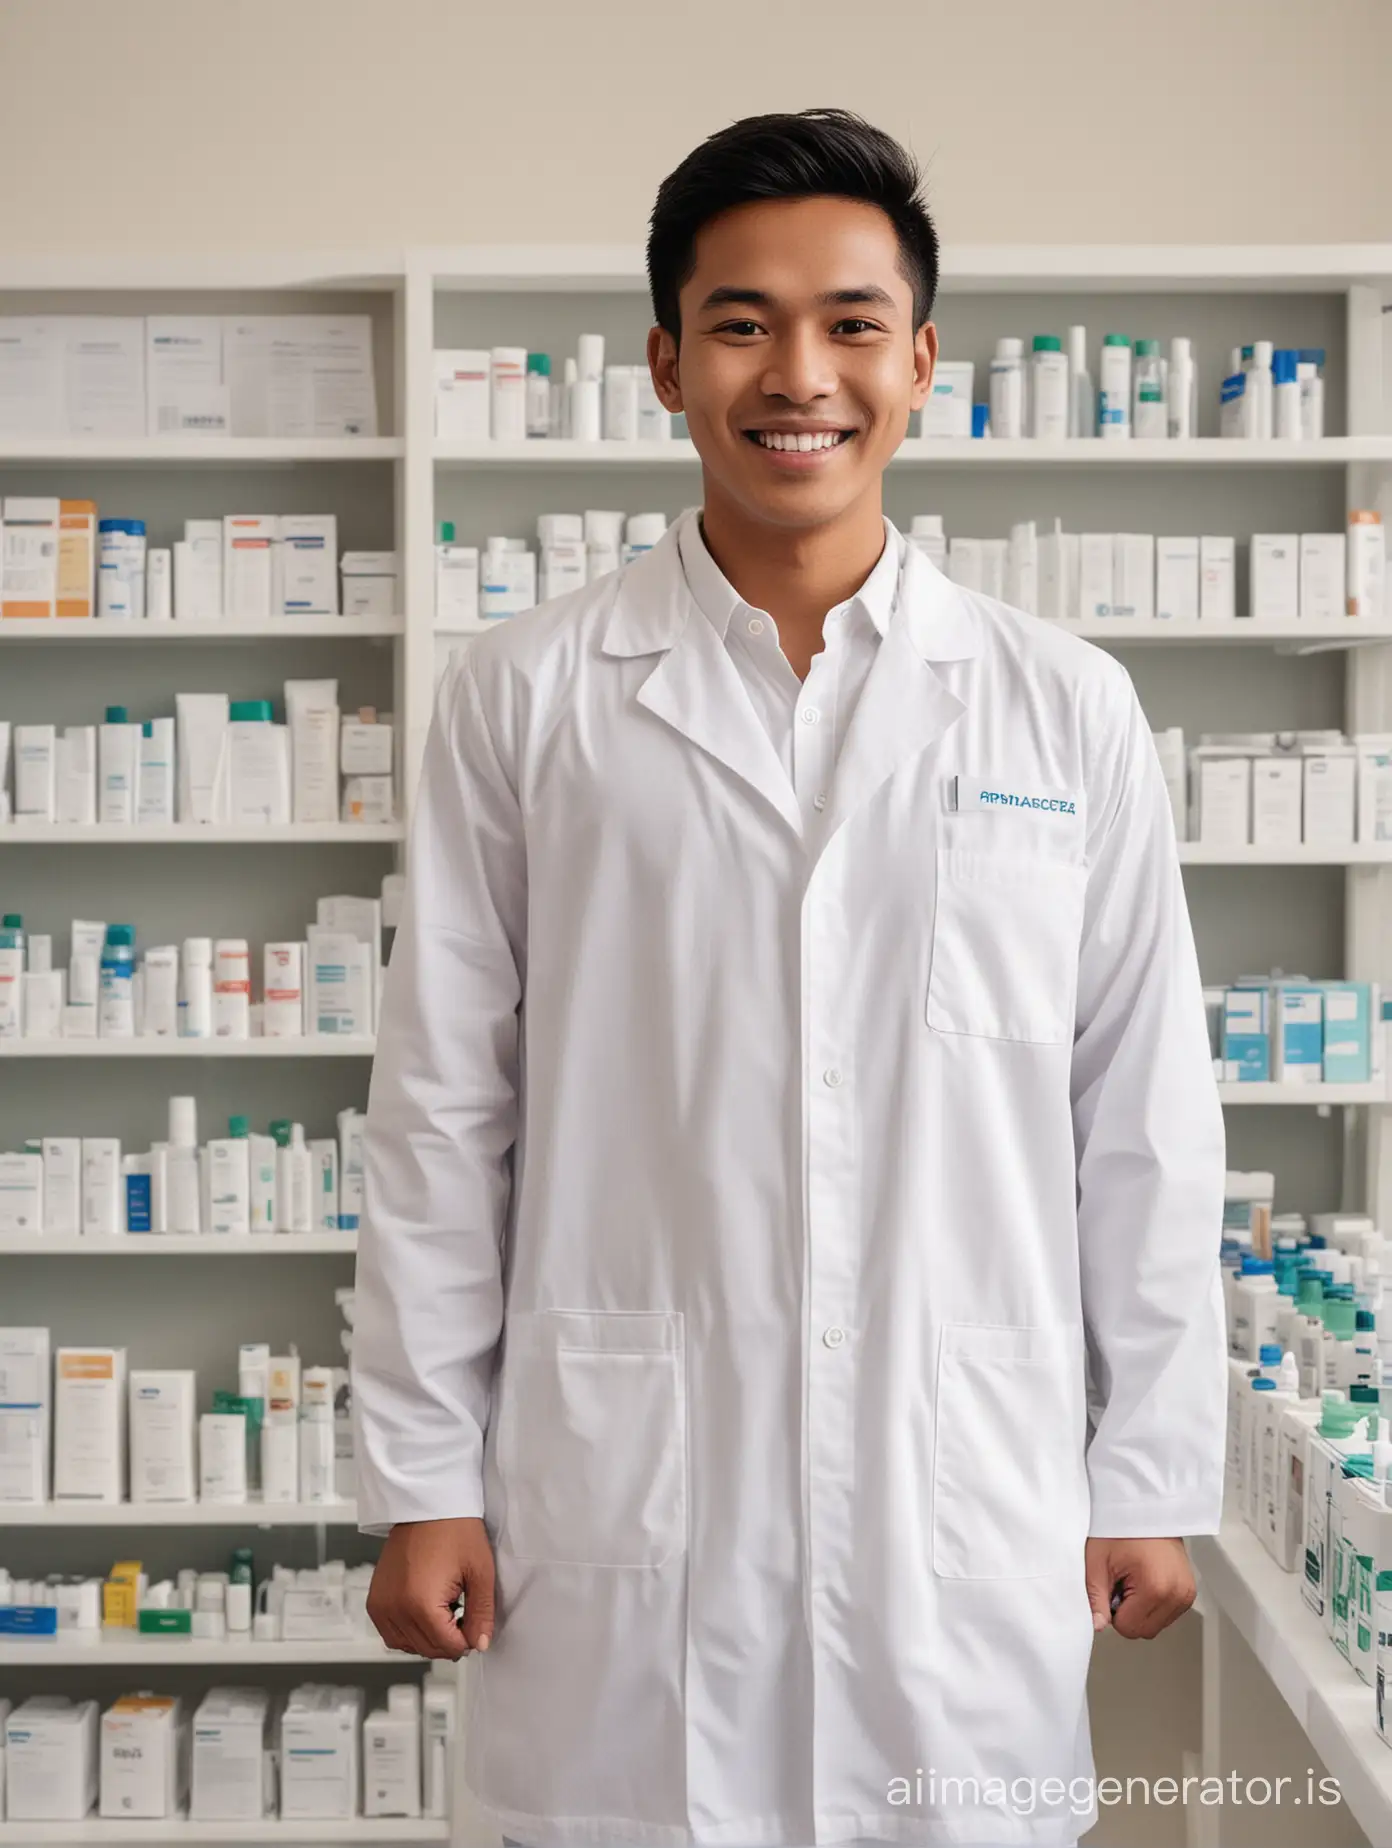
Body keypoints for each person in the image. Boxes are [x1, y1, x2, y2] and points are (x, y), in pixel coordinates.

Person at [353, 108, 1226, 1848]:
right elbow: (446, 1109)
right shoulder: (532, 700)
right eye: (742, 323)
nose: (797, 373)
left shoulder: (1062, 707)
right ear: (667, 365)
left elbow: (1139, 1114)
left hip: (959, 1496)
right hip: (631, 1502)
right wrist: (426, 1477)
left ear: (921, 361)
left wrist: (1149, 1471)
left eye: (847, 323)